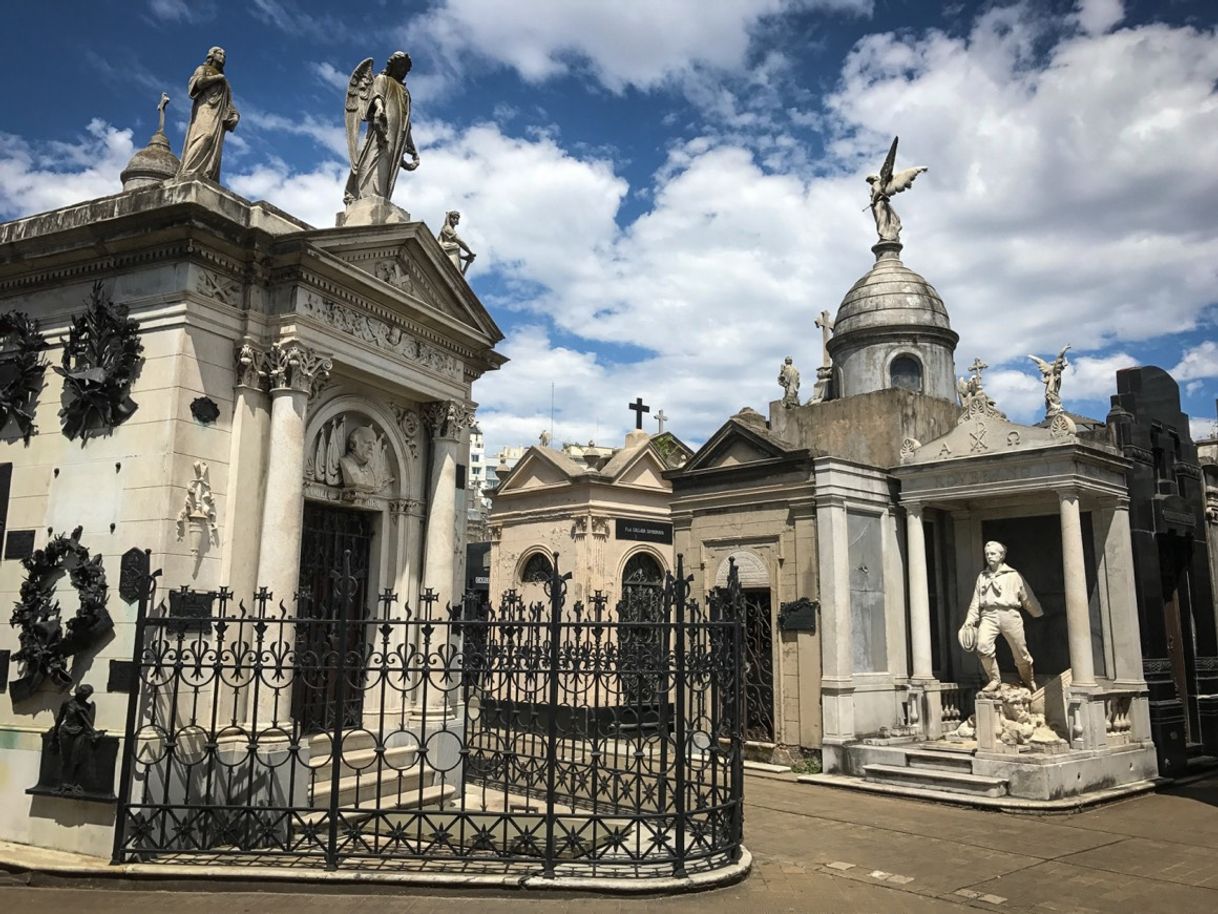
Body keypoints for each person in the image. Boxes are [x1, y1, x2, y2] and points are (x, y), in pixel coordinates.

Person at [960, 541, 1043, 692]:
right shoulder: (982, 577)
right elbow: (976, 602)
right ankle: (994, 680)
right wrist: (970, 620)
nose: (989, 557)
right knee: (983, 647)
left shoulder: (1013, 575)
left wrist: (1038, 614)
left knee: (1020, 653)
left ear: (1002, 556)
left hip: (1009, 614)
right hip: (988, 615)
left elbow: (1027, 597)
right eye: (987, 554)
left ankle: (1028, 680)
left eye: (993, 554)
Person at [344, 52, 419, 204]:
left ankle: (381, 196)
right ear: (393, 65)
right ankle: (367, 196)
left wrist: (410, 145)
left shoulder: (405, 92)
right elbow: (377, 96)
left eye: (406, 68)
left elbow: (406, 122)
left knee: (389, 164)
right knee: (376, 157)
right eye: (401, 65)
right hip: (382, 128)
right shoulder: (382, 79)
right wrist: (379, 109)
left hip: (398, 133)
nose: (404, 70)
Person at [178, 47, 239, 181]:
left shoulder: (225, 83)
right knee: (205, 136)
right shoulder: (203, 69)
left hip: (218, 117)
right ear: (211, 56)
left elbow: (230, 104)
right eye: (219, 53)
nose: (223, 56)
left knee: (214, 145)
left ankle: (206, 174)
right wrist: (217, 77)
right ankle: (188, 172)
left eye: (224, 55)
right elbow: (197, 84)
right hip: (205, 109)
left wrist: (235, 116)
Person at [51, 683, 101, 794]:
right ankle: (63, 783)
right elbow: (59, 719)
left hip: (79, 733)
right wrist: (54, 736)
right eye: (83, 694)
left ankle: (74, 784)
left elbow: (90, 724)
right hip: (65, 732)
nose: (85, 696)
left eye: (87, 695)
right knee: (65, 759)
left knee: (76, 758)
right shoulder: (68, 703)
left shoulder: (88, 706)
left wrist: (83, 712)